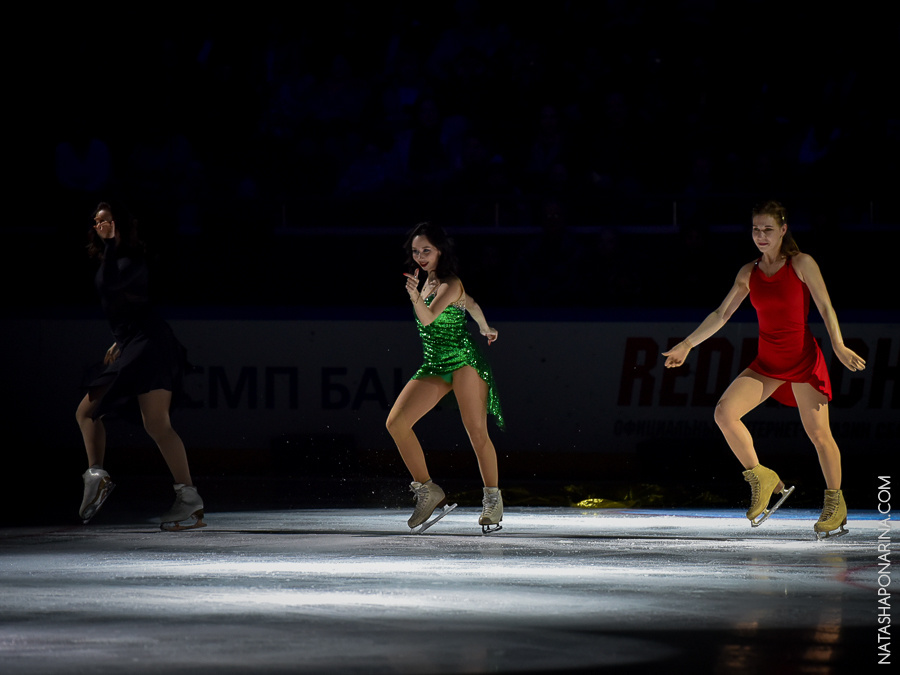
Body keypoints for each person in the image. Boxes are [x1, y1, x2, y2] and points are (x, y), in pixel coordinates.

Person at [663, 201, 865, 539]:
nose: (761, 235)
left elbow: (825, 306)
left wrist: (839, 345)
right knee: (724, 414)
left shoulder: (801, 264)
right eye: (756, 229)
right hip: (768, 363)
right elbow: (721, 314)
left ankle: (836, 503)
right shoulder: (749, 272)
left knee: (818, 434)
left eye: (768, 229)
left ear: (783, 230)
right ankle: (762, 476)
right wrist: (687, 344)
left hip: (802, 360)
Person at [75, 202, 206, 531]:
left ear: (119, 223)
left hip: (149, 343)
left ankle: (97, 475)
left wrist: (108, 245)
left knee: (87, 413)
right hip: (144, 341)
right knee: (157, 425)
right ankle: (189, 500)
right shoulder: (117, 259)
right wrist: (122, 339)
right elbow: (123, 305)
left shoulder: (130, 260)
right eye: (96, 222)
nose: (98, 225)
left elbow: (115, 289)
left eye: (105, 221)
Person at [386, 222, 504, 533]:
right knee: (396, 423)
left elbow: (427, 318)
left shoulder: (449, 283)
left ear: (440, 251)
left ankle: (493, 500)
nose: (421, 256)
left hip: (463, 360)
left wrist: (414, 298)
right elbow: (472, 304)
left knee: (475, 431)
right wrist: (484, 326)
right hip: (435, 363)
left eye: (427, 250)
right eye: (416, 251)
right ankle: (427, 489)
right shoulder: (424, 283)